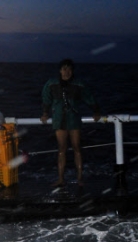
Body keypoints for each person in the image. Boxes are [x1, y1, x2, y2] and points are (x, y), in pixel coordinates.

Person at [41, 59, 101, 187]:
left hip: (74, 118)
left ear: (72, 71)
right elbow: (46, 99)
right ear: (60, 70)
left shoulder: (79, 84)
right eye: (64, 69)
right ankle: (61, 179)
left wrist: (96, 111)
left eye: (69, 69)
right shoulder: (51, 84)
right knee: (61, 149)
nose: (67, 72)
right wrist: (45, 113)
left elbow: (89, 98)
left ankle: (79, 178)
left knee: (76, 147)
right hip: (59, 119)